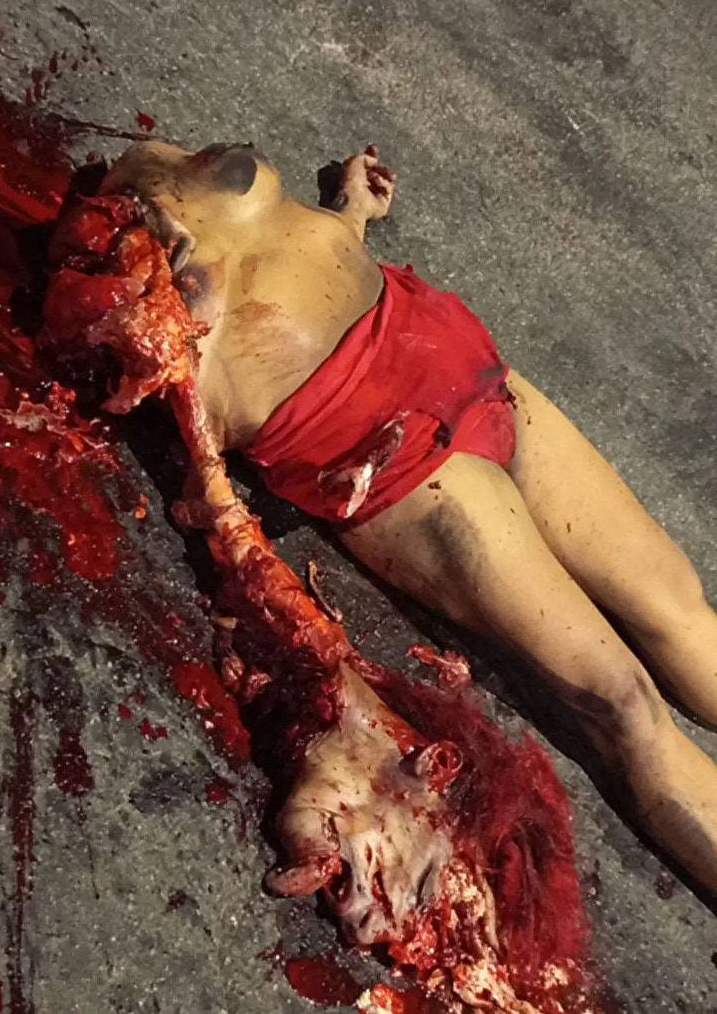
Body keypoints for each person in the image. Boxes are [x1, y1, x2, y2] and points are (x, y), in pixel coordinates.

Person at [102, 139, 717, 896]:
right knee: (624, 703)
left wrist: (349, 213)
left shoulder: (152, 160)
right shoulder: (129, 290)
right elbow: (198, 435)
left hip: (460, 359)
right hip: (408, 472)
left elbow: (286, 251)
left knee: (678, 605)